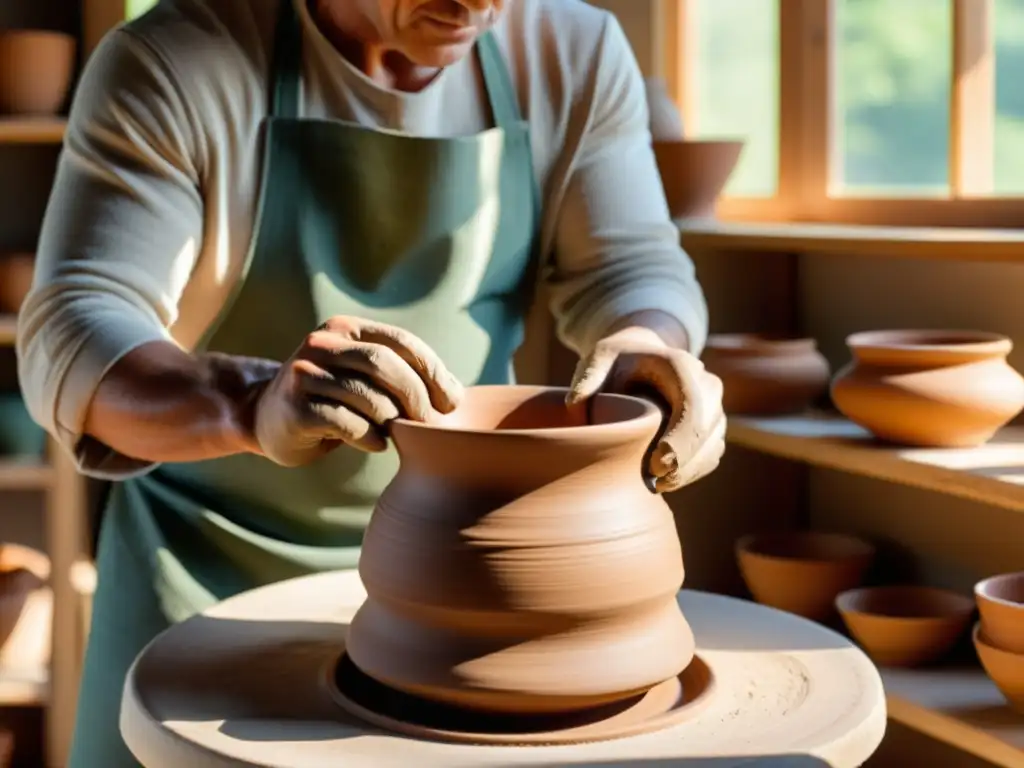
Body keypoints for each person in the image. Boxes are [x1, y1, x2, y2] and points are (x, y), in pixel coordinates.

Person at [16, 0, 725, 764]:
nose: (478, 5)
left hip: (477, 597)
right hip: (203, 581)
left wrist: (651, 344)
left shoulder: (572, 50)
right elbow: (75, 326)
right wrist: (251, 405)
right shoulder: (181, 59)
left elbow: (631, 265)